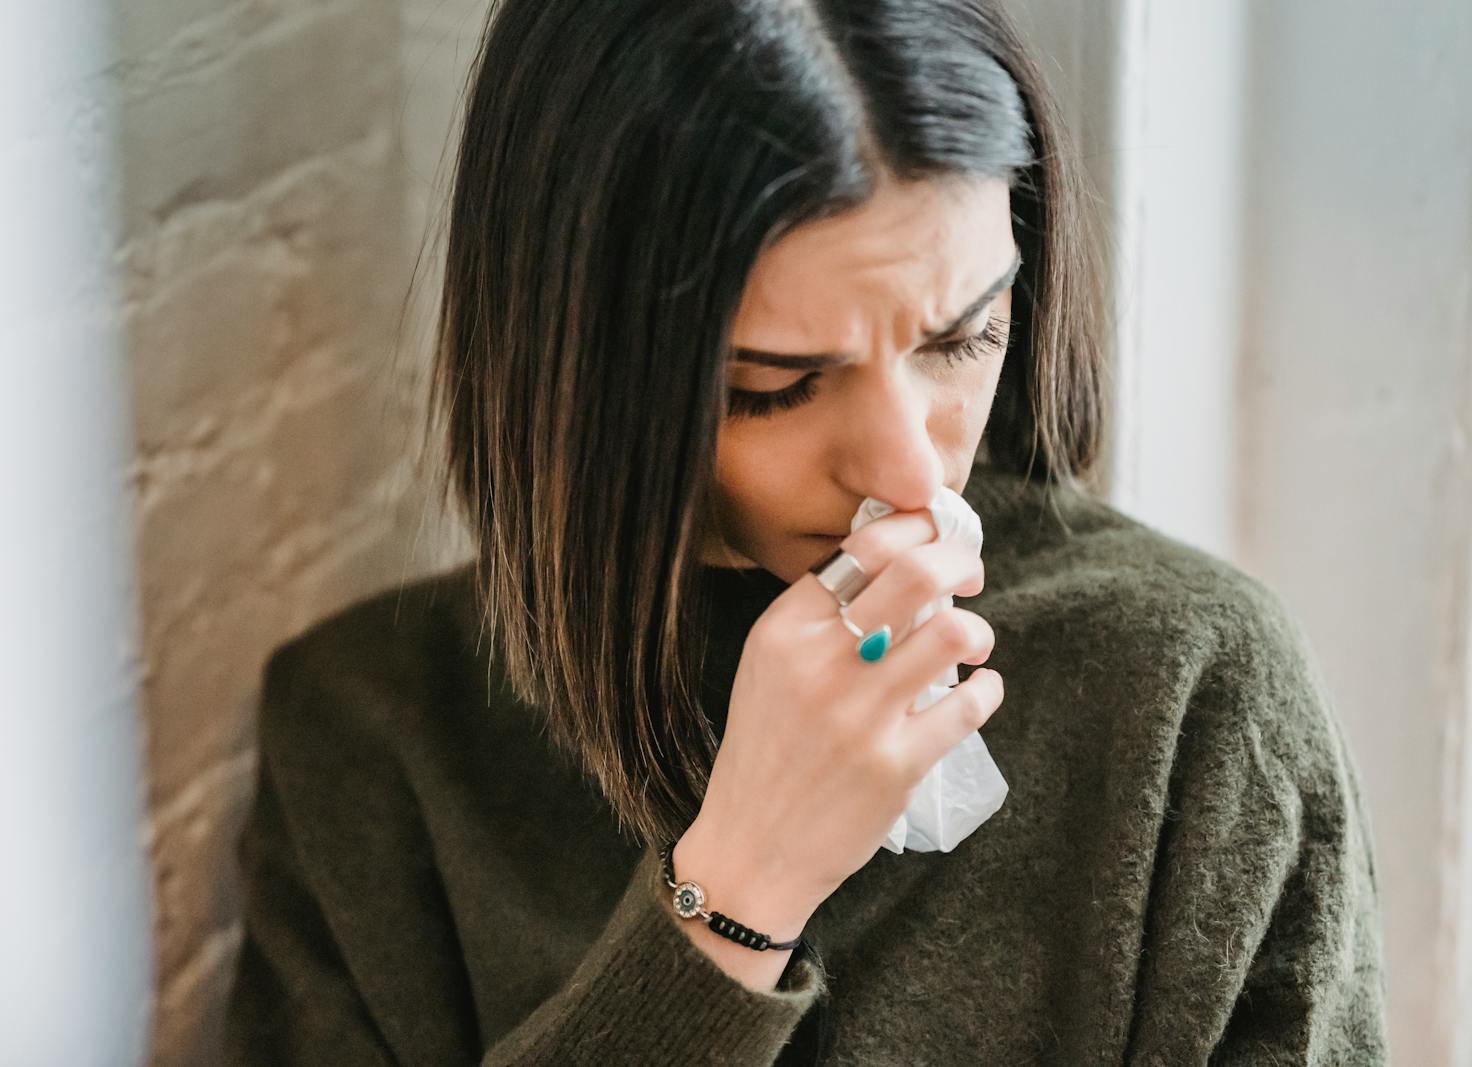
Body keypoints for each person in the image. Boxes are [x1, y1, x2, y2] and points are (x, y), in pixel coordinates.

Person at [222, 0, 1389, 1063]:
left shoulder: (1188, 690)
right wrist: (733, 893)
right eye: (773, 386)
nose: (909, 463)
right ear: (578, 365)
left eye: (960, 338)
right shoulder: (375, 740)